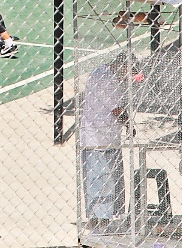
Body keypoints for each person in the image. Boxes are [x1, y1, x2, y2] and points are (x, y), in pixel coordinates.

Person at [79, 55, 131, 234]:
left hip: (108, 136)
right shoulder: (105, 77)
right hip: (96, 137)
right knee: (99, 178)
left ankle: (106, 217)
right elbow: (116, 108)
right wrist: (129, 123)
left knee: (108, 178)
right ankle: (98, 220)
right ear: (121, 66)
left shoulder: (109, 75)